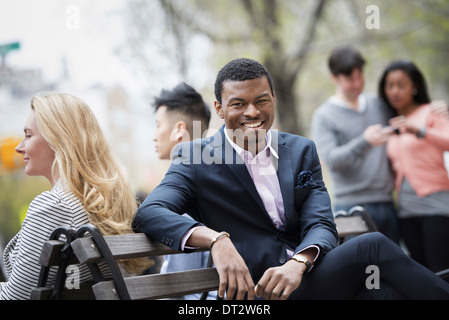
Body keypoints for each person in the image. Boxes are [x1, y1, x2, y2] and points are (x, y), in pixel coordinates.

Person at [134, 57, 449, 300]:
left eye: (261, 100)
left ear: (273, 99)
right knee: (373, 247)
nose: (252, 112)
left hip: (307, 273)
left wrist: (299, 262)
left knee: (384, 294)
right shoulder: (196, 156)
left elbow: (321, 224)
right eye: (238, 104)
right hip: (262, 287)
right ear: (219, 108)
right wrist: (217, 240)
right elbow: (151, 212)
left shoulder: (301, 150)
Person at [0, 93, 150, 300]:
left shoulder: (54, 206)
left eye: (28, 135)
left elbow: (15, 297)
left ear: (58, 139)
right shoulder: (106, 204)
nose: (19, 147)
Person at [310, 46, 399, 243]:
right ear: (335, 78)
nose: (357, 83)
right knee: (361, 271)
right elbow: (331, 160)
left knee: (392, 271)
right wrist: (365, 141)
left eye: (360, 76)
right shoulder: (324, 116)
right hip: (350, 208)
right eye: (350, 79)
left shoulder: (379, 104)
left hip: (387, 202)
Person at [379, 60, 449, 273]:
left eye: (401, 85)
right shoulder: (391, 122)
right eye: (389, 85)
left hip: (435, 204)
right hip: (406, 210)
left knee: (441, 271)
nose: (394, 91)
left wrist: (419, 131)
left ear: (415, 86)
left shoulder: (432, 112)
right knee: (422, 273)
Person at [151, 82, 214, 299]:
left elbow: (177, 283)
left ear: (179, 130)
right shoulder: (221, 176)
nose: (154, 135)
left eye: (158, 125)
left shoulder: (180, 191)